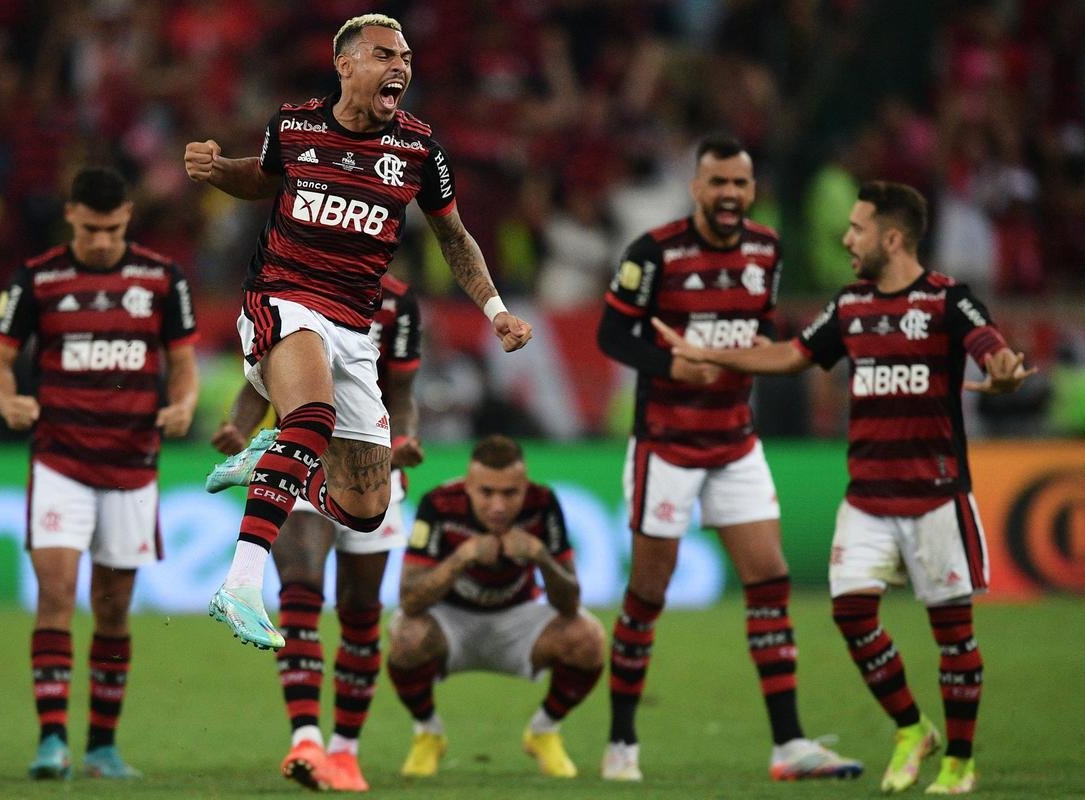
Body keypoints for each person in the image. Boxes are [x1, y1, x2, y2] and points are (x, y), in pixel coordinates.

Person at [653, 180, 1035, 795]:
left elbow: (991, 349)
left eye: (856, 229)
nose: (845, 237)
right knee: (851, 612)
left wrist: (1005, 372)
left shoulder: (946, 300)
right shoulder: (851, 305)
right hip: (867, 497)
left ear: (892, 237)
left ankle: (960, 762)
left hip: (935, 495)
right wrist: (714, 356)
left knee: (953, 635)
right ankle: (912, 728)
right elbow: (794, 356)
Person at [183, 12, 532, 651]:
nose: (399, 65)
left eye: (405, 57)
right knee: (310, 416)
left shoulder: (420, 150)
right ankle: (239, 582)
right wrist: (216, 168)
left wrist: (495, 308)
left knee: (366, 509)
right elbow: (258, 181)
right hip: (283, 299)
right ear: (345, 64)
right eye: (383, 55)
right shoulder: (294, 126)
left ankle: (271, 455)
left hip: (355, 324)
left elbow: (455, 237)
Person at [596, 133, 862, 782]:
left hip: (735, 443)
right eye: (716, 183)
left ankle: (788, 745)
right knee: (647, 594)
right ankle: (621, 743)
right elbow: (611, 332)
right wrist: (668, 364)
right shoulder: (654, 253)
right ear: (695, 188)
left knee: (768, 581)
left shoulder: (766, 251)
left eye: (739, 184)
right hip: (667, 445)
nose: (728, 195)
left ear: (750, 191)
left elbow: (759, 329)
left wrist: (751, 354)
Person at [0, 167, 199, 780]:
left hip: (132, 463)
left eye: (114, 228)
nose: (102, 240)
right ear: (70, 215)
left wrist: (183, 404)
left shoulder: (161, 278)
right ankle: (52, 742)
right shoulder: (37, 278)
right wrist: (7, 401)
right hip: (61, 459)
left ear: (128, 218)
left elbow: (181, 364)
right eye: (91, 228)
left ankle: (102, 747)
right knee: (54, 595)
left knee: (112, 608)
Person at [209, 272, 422, 792]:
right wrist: (239, 426)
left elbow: (402, 390)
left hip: (369, 464)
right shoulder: (295, 285)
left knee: (360, 610)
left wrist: (407, 437)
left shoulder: (397, 305)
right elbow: (254, 383)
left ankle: (345, 752)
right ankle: (306, 737)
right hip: (301, 458)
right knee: (301, 591)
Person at [386, 435, 604, 779]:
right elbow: (409, 600)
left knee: (588, 638)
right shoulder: (438, 504)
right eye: (487, 492)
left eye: (510, 493)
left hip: (518, 619)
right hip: (451, 620)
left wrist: (541, 558)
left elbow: (570, 604)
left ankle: (544, 731)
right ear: (468, 486)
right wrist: (461, 558)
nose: (498, 505)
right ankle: (428, 732)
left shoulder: (543, 503)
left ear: (525, 486)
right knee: (405, 637)